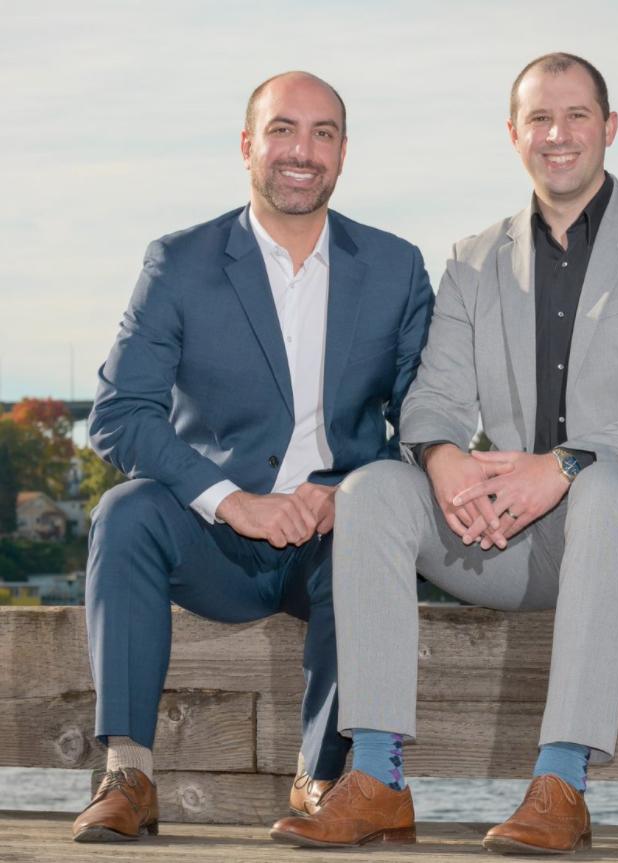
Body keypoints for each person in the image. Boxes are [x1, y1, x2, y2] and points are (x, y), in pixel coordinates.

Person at [269, 52, 618, 854]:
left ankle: (561, 782)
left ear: (610, 128)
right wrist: (444, 459)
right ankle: (374, 777)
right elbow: (433, 398)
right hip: (503, 532)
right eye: (539, 118)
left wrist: (563, 463)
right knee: (372, 488)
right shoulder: (473, 259)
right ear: (514, 134)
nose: (558, 134)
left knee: (605, 489)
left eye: (576, 115)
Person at [72, 71, 433, 843]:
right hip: (212, 534)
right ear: (247, 145)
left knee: (372, 526)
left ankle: (323, 779)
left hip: (334, 532)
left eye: (323, 133)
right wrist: (231, 499)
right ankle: (128, 774)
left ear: (343, 152)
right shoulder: (179, 262)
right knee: (124, 512)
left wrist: (353, 490)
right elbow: (121, 413)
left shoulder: (396, 267)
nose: (302, 151)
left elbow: (424, 419)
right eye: (282, 129)